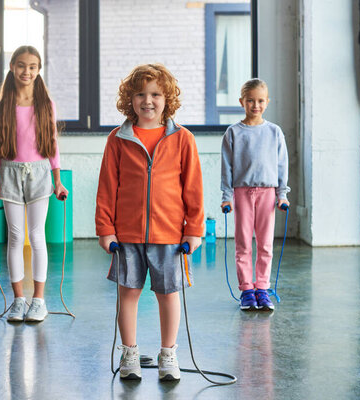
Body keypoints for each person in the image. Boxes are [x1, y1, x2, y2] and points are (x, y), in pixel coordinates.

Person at [95, 63, 204, 381]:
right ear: (129, 99)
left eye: (156, 94)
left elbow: (193, 188)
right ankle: (129, 353)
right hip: (127, 234)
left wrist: (194, 229)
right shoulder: (118, 139)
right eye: (140, 94)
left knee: (168, 294)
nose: (148, 101)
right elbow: (107, 187)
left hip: (169, 235)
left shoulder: (183, 139)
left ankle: (168, 353)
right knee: (127, 294)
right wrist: (106, 228)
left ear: (167, 99)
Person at [0, 45, 68, 323]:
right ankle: (19, 300)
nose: (26, 71)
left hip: (40, 173)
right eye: (21, 65)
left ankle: (38, 300)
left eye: (32, 66)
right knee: (16, 237)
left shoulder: (46, 105)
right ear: (12, 67)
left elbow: (52, 144)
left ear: (39, 70)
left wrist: (58, 180)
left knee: (37, 235)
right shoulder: (1, 106)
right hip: (9, 173)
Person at [220, 78, 290, 312]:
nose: (255, 105)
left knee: (265, 244)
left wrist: (282, 194)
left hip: (268, 194)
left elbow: (282, 165)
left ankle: (262, 288)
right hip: (241, 194)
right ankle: (247, 291)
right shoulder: (233, 132)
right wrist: (227, 196)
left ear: (267, 102)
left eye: (260, 101)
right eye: (250, 101)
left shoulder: (274, 132)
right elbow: (227, 167)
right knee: (243, 244)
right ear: (242, 102)